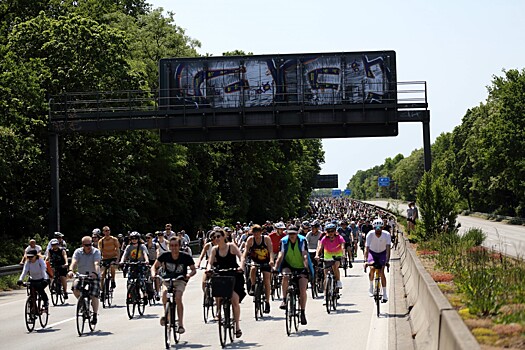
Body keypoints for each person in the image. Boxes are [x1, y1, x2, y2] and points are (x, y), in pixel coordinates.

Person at [152, 236, 196, 334]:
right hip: (167, 279)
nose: (173, 248)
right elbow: (154, 266)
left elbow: (193, 269)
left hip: (180, 280)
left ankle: (180, 324)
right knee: (164, 294)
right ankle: (166, 315)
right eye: (171, 245)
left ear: (179, 246)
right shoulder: (165, 256)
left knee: (178, 297)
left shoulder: (185, 256)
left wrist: (189, 275)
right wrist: (153, 274)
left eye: (176, 245)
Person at [206, 229, 246, 338]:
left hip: (234, 275)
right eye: (214, 237)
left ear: (224, 236)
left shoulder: (231, 246)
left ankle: (237, 326)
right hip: (221, 274)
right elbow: (210, 262)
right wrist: (208, 269)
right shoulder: (214, 249)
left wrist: (241, 267)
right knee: (217, 291)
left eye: (218, 236)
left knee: (234, 300)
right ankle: (219, 310)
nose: (216, 239)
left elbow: (241, 257)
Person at [275, 225, 313, 325]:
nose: (292, 235)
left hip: (301, 266)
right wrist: (275, 267)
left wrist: (306, 268)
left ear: (297, 233)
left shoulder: (302, 240)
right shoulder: (284, 241)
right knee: (285, 276)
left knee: (302, 290)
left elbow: (304, 254)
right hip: (288, 265)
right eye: (290, 233)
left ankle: (303, 312)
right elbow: (280, 255)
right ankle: (284, 299)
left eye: (294, 233)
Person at [68, 236, 101, 325]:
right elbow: (74, 262)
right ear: (82, 245)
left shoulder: (96, 252)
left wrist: (95, 273)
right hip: (81, 275)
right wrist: (71, 270)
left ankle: (94, 314)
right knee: (75, 288)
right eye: (86, 245)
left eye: (90, 244)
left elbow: (96, 263)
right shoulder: (78, 252)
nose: (89, 247)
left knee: (94, 295)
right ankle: (83, 303)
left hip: (93, 275)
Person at [243, 224, 274, 313]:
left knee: (266, 280)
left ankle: (267, 302)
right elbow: (246, 250)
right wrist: (243, 259)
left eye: (258, 233)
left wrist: (271, 260)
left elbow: (271, 251)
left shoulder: (266, 239)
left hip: (266, 260)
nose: (256, 235)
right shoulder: (250, 240)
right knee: (252, 268)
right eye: (254, 233)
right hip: (255, 260)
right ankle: (253, 286)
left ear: (261, 232)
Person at [364, 218, 391, 302]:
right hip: (372, 252)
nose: (378, 230)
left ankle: (385, 294)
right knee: (372, 268)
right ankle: (371, 287)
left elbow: (388, 248)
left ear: (383, 228)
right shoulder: (370, 234)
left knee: (381, 272)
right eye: (376, 228)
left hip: (382, 253)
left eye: (380, 228)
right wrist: (365, 260)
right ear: (373, 228)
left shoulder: (386, 234)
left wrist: (387, 261)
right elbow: (367, 248)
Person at [316, 223, 345, 290]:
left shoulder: (339, 237)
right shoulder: (324, 238)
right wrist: (317, 255)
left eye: (332, 231)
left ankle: (338, 281)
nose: (330, 233)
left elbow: (343, 246)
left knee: (335, 266)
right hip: (327, 257)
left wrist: (343, 254)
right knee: (326, 275)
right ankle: (325, 295)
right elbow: (320, 247)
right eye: (329, 231)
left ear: (335, 231)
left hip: (337, 256)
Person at [98, 226, 120, 292]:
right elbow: (99, 251)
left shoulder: (114, 239)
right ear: (103, 232)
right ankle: (102, 291)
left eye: (108, 230)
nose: (107, 232)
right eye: (105, 231)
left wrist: (117, 259)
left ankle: (113, 279)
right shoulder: (101, 241)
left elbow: (118, 249)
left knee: (112, 266)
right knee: (102, 275)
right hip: (105, 258)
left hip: (113, 257)